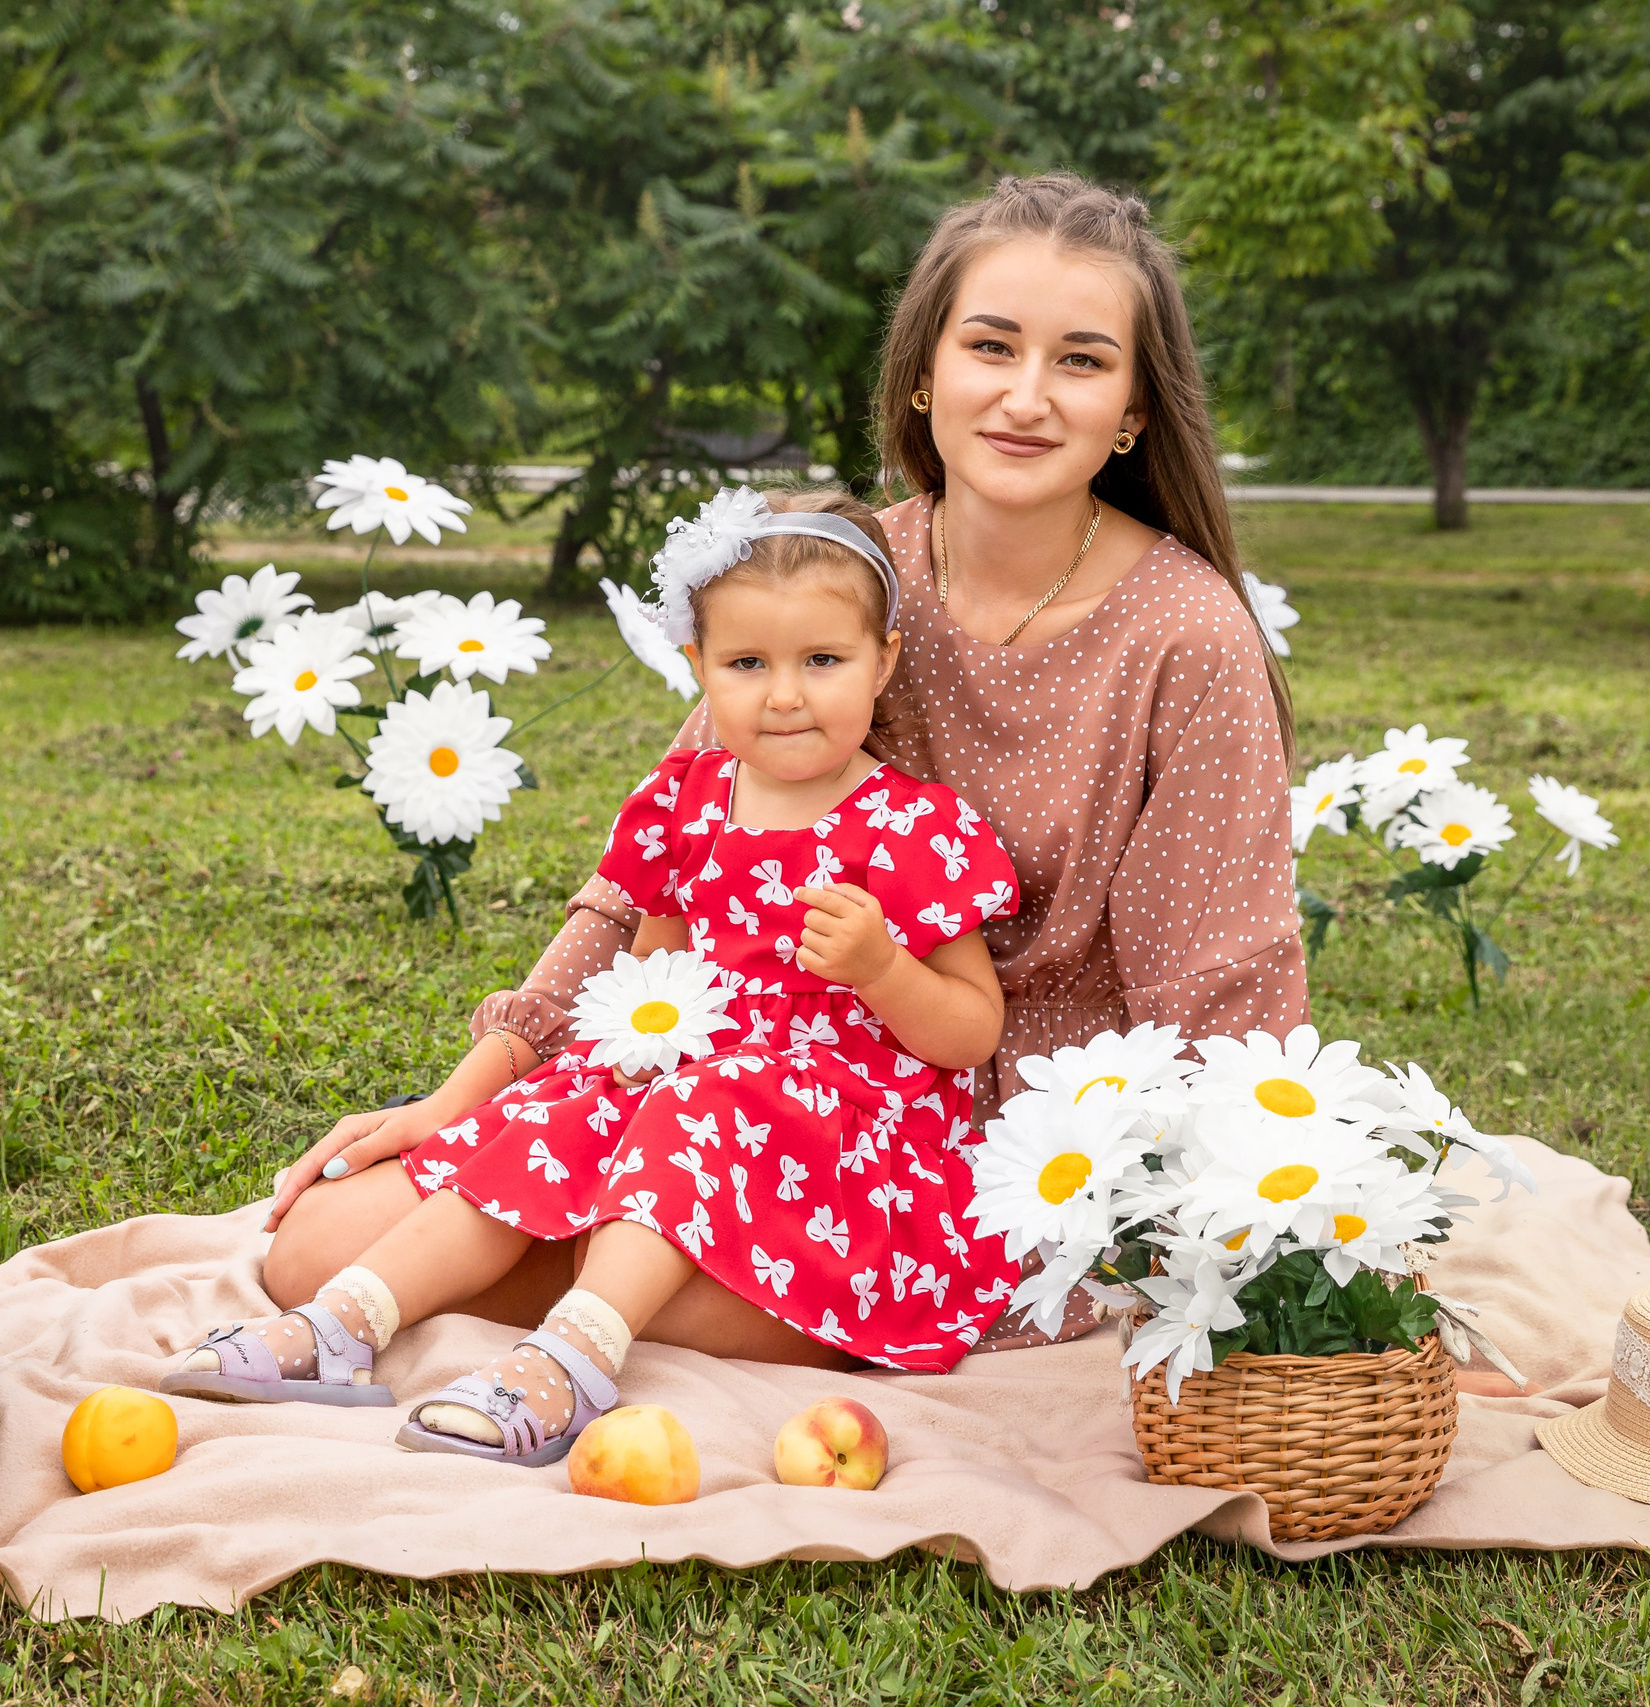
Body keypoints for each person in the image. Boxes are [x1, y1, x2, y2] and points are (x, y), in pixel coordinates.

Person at [258, 170, 1307, 1364]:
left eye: (1079, 361)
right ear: (923, 372)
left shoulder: (1186, 635)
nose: (1025, 396)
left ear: (1130, 410)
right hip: (745, 1095)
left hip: (1002, 1147)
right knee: (316, 1246)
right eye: (990, 346)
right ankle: (610, 1272)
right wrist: (473, 1085)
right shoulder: (835, 577)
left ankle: (625, 1283)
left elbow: (1222, 984)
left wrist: (1269, 1224)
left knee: (503, 1257)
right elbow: (650, 879)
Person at [164, 491, 1023, 1464]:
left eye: (821, 661)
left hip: (829, 1114)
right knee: (550, 1127)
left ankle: (571, 1363)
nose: (784, 695)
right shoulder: (686, 806)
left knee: (703, 1103)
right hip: (690, 1071)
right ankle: (343, 1326)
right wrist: (615, 1057)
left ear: (884, 663)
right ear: (699, 670)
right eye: (747, 664)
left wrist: (881, 970)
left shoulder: (915, 829)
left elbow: (969, 1032)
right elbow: (647, 973)